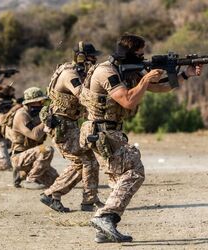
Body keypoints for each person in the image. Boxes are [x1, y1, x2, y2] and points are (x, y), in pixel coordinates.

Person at [79, 34, 203, 243]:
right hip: (101, 131)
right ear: (127, 54)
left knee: (118, 180)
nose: (142, 57)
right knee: (135, 171)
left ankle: (104, 230)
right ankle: (105, 217)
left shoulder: (130, 70)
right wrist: (145, 78)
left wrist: (185, 74)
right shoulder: (105, 71)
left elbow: (159, 87)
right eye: (139, 54)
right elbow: (127, 101)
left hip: (109, 131)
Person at [39, 42, 103, 212]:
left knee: (87, 160)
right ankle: (53, 194)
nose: (95, 60)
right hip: (62, 126)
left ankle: (88, 200)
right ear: (81, 57)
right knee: (83, 160)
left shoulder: (77, 72)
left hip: (69, 124)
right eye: (91, 57)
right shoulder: (69, 74)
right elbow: (81, 95)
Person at [5, 87, 59, 190]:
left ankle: (21, 176)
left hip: (32, 155)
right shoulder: (22, 115)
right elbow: (35, 135)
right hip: (19, 157)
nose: (42, 104)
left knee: (55, 180)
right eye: (39, 102)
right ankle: (30, 180)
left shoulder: (36, 115)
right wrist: (46, 120)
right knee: (47, 149)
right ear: (31, 103)